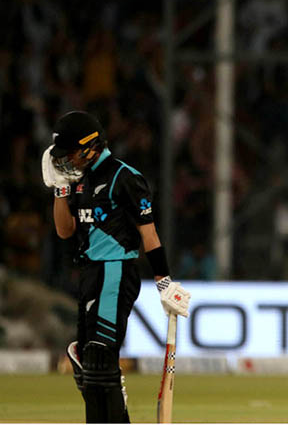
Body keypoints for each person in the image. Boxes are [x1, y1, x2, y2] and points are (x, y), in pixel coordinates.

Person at [41, 111, 191, 423]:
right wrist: (60, 190)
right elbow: (65, 230)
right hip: (89, 274)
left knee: (99, 360)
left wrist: (163, 282)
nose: (65, 162)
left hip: (115, 271)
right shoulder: (78, 181)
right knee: (89, 370)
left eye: (69, 154)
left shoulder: (125, 177)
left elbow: (148, 234)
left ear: (90, 147)